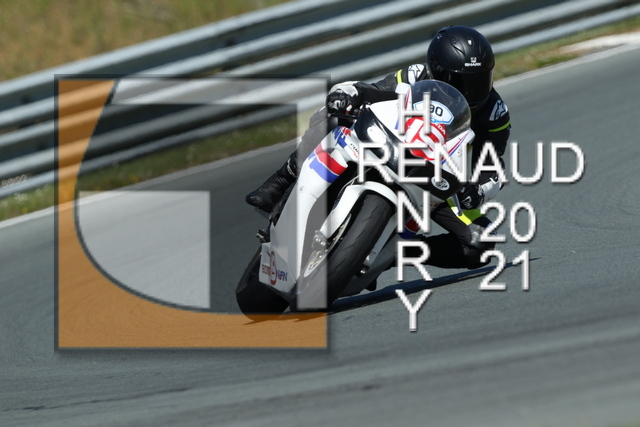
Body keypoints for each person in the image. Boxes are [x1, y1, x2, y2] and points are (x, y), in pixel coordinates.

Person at [246, 25, 511, 270]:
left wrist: (477, 191)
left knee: (482, 242)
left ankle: (395, 253)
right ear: (436, 71)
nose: (470, 91)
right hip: (390, 144)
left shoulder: (495, 113)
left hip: (440, 181)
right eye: (460, 82)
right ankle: (282, 180)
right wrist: (350, 94)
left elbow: (492, 168)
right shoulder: (416, 76)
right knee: (333, 115)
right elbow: (376, 91)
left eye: (479, 80)